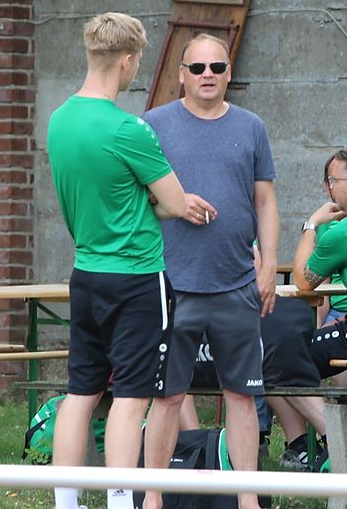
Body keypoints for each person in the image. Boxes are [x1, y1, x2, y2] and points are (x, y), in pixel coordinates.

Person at [46, 12, 186, 509]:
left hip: (86, 274)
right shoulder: (130, 129)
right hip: (137, 278)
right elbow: (175, 203)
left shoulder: (59, 120)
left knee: (80, 393)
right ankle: (121, 502)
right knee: (130, 397)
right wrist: (150, 201)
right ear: (127, 60)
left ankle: (66, 502)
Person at [142, 33, 278, 509]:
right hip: (172, 284)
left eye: (217, 67)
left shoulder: (251, 126)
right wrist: (174, 203)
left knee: (242, 396)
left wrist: (269, 266)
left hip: (236, 282)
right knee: (167, 397)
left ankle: (247, 499)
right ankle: (153, 497)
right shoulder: (154, 124)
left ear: (228, 74)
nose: (207, 75)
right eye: (197, 67)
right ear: (181, 74)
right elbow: (136, 197)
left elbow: (266, 201)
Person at [262, 147, 347, 471]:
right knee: (289, 350)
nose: (327, 187)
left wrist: (311, 224)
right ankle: (312, 444)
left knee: (276, 356)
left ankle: (336, 442)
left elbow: (304, 282)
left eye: (332, 180)